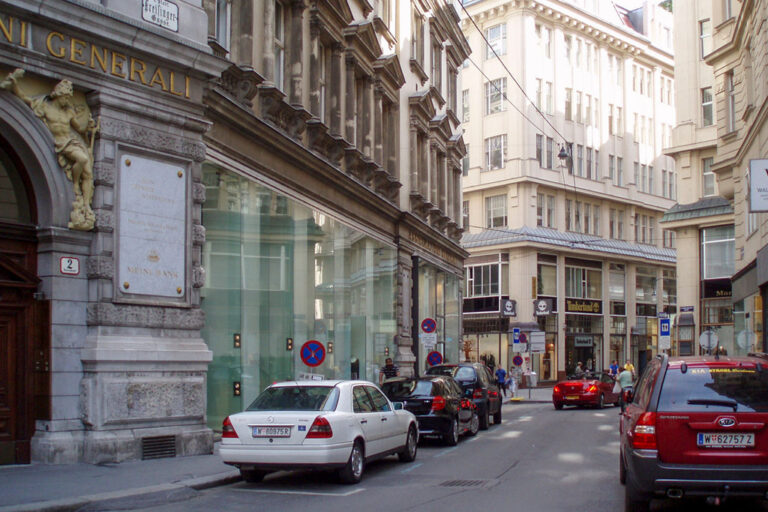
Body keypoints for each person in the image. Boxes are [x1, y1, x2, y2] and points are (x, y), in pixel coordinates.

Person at [1, 68, 97, 230]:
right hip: (60, 143)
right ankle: (75, 185)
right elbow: (27, 99)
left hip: (70, 141)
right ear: (58, 94)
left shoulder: (68, 112)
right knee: (82, 159)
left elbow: (79, 129)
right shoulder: (46, 107)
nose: (67, 100)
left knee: (86, 168)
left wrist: (90, 128)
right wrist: (15, 87)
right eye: (65, 96)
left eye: (69, 97)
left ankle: (85, 205)